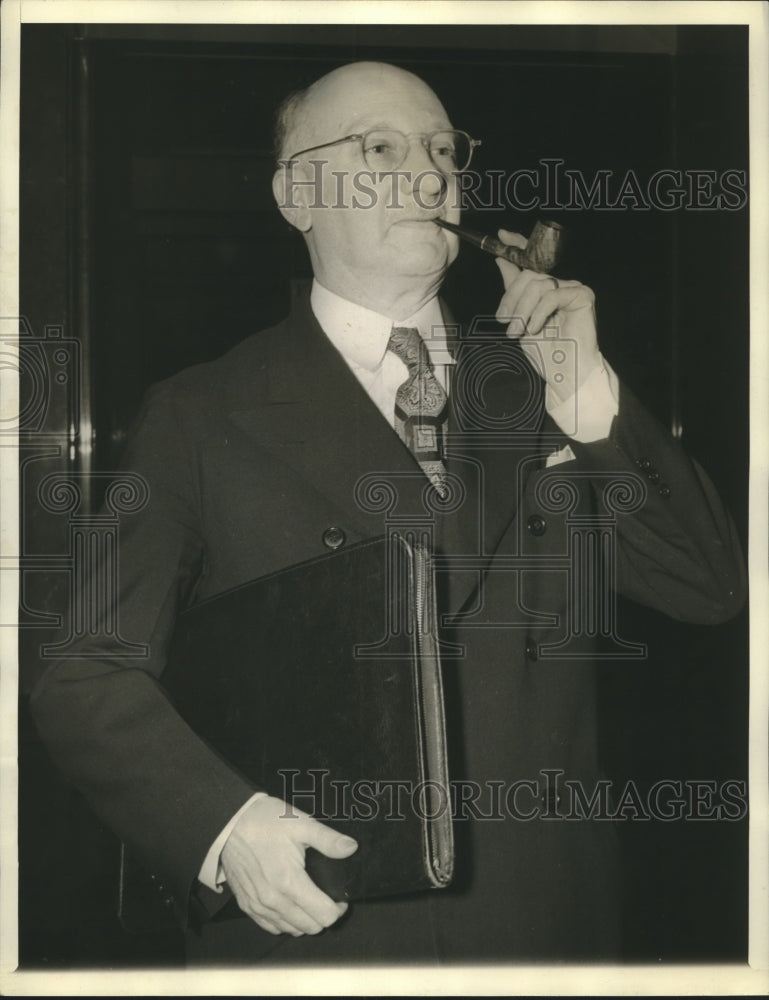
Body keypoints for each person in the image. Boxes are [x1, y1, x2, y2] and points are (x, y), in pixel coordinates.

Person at [30, 61, 746, 965]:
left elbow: (709, 587)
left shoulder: (540, 385)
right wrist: (226, 823)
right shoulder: (199, 412)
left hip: (547, 932)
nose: (431, 172)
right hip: (326, 932)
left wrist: (588, 396)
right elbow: (84, 673)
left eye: (444, 150)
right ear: (297, 195)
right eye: (380, 147)